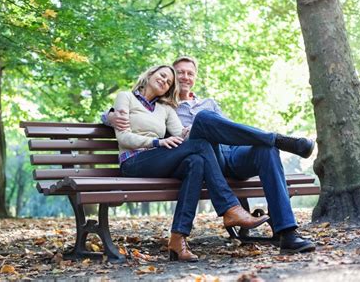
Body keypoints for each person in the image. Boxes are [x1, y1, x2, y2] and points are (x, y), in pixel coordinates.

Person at [104, 56, 316, 254]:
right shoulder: (168, 106)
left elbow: (230, 130)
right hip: (205, 156)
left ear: (195, 78)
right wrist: (109, 115)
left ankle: (287, 233)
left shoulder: (209, 102)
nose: (185, 77)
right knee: (204, 119)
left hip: (230, 153)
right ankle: (276, 138)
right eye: (179, 73)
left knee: (266, 150)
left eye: (190, 73)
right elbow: (126, 119)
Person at [112, 64, 270, 262]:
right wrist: (157, 142)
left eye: (169, 82)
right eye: (162, 76)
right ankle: (230, 208)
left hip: (159, 160)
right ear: (150, 74)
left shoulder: (166, 109)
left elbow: (182, 134)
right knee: (199, 149)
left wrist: (201, 127)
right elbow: (124, 137)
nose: (164, 81)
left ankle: (178, 238)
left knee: (196, 161)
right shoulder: (125, 97)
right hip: (134, 161)